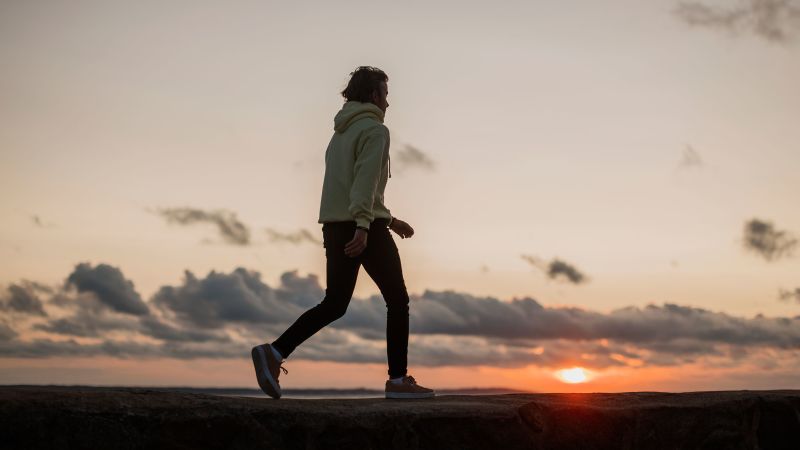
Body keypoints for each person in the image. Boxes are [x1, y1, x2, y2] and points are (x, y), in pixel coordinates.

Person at [252, 66, 434, 400]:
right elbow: (363, 183)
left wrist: (390, 220)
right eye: (386, 95)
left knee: (335, 303)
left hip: (335, 226)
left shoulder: (340, 133)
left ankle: (274, 353)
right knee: (398, 300)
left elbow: (349, 187)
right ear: (375, 96)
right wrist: (366, 227)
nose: (388, 104)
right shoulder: (376, 131)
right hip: (362, 228)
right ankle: (397, 381)